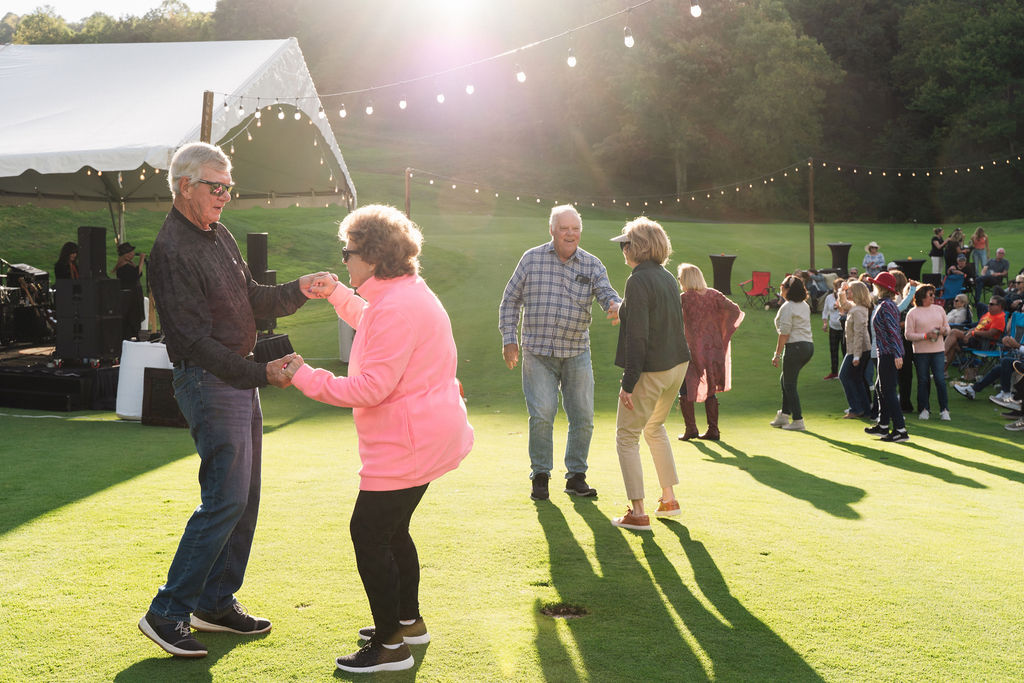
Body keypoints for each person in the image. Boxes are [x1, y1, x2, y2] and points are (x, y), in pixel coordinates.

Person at [139, 141, 330, 659]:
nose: (225, 196)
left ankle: (214, 603)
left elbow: (253, 298)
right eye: (216, 186)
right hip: (208, 380)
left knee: (244, 496)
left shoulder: (218, 233)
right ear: (185, 187)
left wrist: (301, 288)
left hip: (234, 378)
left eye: (229, 187)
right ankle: (167, 612)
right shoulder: (171, 251)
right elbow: (194, 342)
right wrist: (259, 373)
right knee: (225, 498)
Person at [280, 205, 473, 674]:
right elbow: (373, 319)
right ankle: (407, 623)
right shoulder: (402, 293)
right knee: (391, 530)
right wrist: (337, 294)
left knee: (368, 533)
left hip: (408, 442)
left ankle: (390, 646)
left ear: (372, 256)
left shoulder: (397, 307)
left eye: (348, 253)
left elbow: (370, 388)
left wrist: (304, 375)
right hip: (425, 434)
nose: (344, 259)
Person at [499, 205, 621, 502]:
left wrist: (616, 306)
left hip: (576, 351)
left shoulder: (592, 264)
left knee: (583, 417)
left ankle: (576, 477)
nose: (570, 234)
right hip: (538, 352)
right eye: (564, 228)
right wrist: (509, 339)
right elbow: (510, 300)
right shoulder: (531, 259)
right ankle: (540, 475)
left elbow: (607, 294)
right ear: (552, 230)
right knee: (542, 414)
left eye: (575, 228)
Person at [608, 218, 690, 531]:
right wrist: (622, 309)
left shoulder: (637, 280)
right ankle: (669, 500)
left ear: (637, 247)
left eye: (625, 244)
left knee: (626, 436)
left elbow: (638, 337)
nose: (623, 250)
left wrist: (628, 383)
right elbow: (648, 312)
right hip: (677, 366)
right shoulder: (666, 277)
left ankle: (638, 512)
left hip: (653, 369)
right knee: (654, 427)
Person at [675, 262, 744, 441]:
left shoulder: (685, 298)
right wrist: (721, 332)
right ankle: (713, 429)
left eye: (680, 278)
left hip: (692, 349)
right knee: (711, 388)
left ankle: (691, 429)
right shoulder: (714, 294)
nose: (679, 281)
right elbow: (735, 311)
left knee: (685, 387)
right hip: (714, 349)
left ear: (686, 279)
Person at [864, 271, 908, 441]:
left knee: (887, 390)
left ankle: (900, 429)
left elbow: (893, 331)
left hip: (888, 353)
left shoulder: (887, 305)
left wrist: (897, 354)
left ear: (881, 287)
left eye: (876, 284)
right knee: (881, 388)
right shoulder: (884, 304)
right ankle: (883, 426)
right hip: (885, 352)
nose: (873, 286)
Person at [769, 275, 814, 431]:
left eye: (783, 285)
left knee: (789, 384)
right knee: (785, 379)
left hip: (795, 347)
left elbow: (785, 333)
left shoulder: (788, 307)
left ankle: (798, 420)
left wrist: (777, 354)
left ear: (788, 289)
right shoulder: (804, 305)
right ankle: (784, 414)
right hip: (808, 346)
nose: (780, 287)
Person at [904, 284, 951, 421]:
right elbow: (908, 335)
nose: (933, 297)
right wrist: (925, 336)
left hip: (938, 350)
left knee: (940, 380)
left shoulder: (939, 309)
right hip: (921, 352)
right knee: (923, 380)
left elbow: (948, 328)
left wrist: (943, 331)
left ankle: (944, 410)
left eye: (933, 294)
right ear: (922, 296)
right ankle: (924, 409)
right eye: (930, 294)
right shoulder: (912, 313)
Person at [838, 280, 872, 418]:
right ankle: (864, 409)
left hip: (858, 350)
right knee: (857, 379)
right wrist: (842, 291)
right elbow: (844, 305)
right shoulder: (856, 307)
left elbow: (859, 334)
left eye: (850, 290)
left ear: (857, 293)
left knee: (844, 376)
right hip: (861, 349)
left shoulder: (858, 310)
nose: (848, 292)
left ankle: (856, 408)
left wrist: (856, 356)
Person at [945, 296, 1006, 367]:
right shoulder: (988, 314)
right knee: (953, 342)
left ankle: (940, 355)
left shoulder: (999, 319)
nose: (988, 305)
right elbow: (978, 327)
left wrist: (972, 333)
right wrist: (970, 331)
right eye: (989, 303)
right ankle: (943, 370)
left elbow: (990, 334)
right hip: (974, 338)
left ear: (1000, 306)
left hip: (983, 342)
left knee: (953, 333)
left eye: (991, 304)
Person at [113, 242, 145, 340]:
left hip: (133, 295)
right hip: (129, 297)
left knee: (135, 317)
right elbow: (136, 274)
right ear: (126, 254)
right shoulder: (123, 267)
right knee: (131, 318)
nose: (133, 254)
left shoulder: (129, 264)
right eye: (131, 253)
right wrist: (141, 260)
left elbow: (138, 274)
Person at [822, 277, 844, 380]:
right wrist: (825, 323)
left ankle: (845, 373)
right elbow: (825, 311)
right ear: (834, 287)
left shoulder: (846, 297)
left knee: (845, 351)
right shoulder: (829, 298)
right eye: (838, 287)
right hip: (833, 327)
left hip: (844, 328)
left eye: (841, 287)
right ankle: (834, 373)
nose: (839, 289)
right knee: (833, 351)